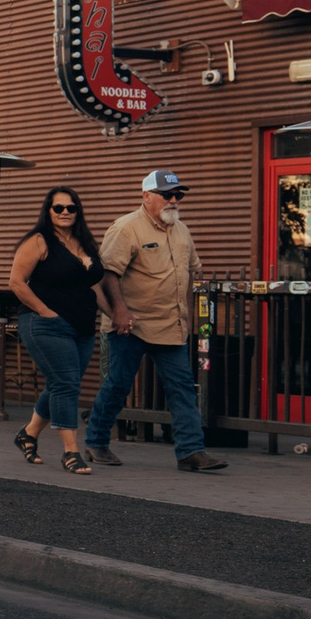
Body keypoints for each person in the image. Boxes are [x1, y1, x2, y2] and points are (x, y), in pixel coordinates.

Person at [84, 168, 228, 473]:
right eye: (167, 195)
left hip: (170, 324)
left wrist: (187, 316)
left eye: (178, 195)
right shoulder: (126, 228)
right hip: (130, 324)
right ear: (146, 196)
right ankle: (96, 441)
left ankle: (191, 451)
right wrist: (119, 312)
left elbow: (190, 274)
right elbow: (108, 274)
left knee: (182, 388)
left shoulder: (182, 230)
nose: (173, 200)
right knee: (118, 384)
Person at [6, 186, 112, 475]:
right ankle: (70, 452)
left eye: (71, 208)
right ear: (48, 211)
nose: (65, 213)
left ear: (78, 211)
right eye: (59, 208)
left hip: (82, 326)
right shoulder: (38, 241)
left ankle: (28, 434)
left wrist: (113, 314)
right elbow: (16, 282)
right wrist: (45, 312)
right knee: (67, 385)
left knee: (59, 384)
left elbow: (93, 285)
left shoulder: (85, 243)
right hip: (46, 324)